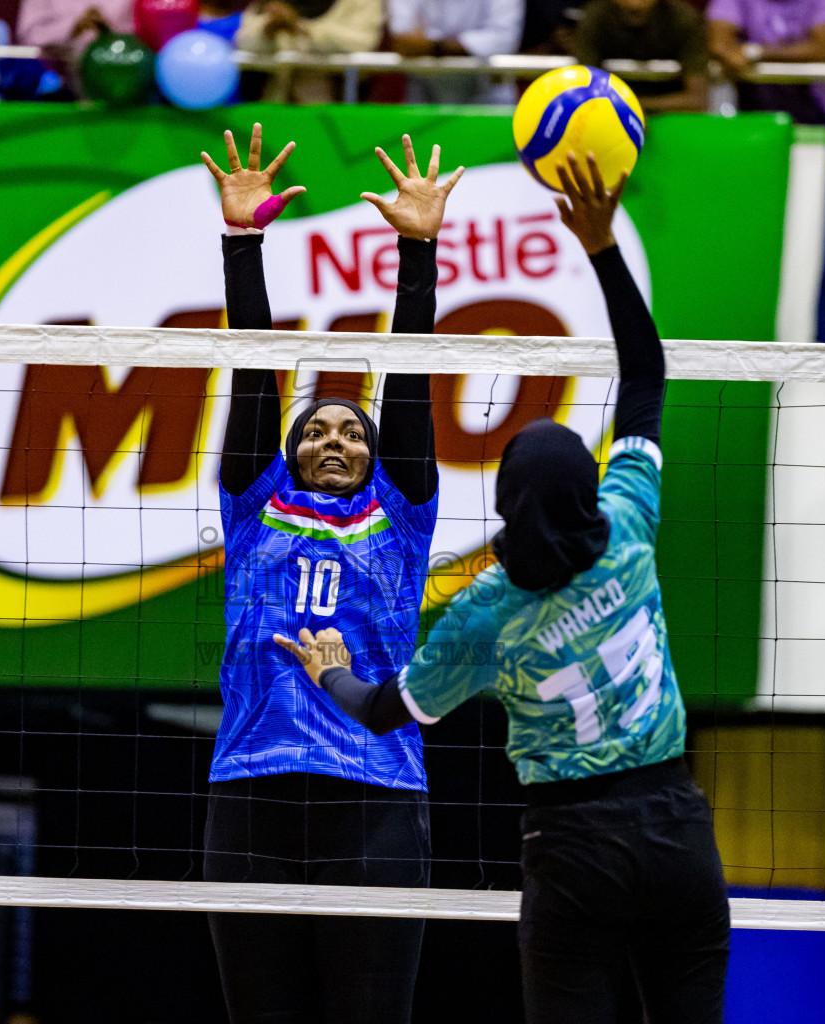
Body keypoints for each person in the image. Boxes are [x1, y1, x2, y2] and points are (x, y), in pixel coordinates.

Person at [275, 151, 730, 1024]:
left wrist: (330, 666)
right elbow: (646, 377)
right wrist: (599, 249)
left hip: (573, 843)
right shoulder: (627, 525)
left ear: (509, 510)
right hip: (676, 824)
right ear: (586, 493)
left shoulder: (486, 612)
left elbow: (382, 713)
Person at [197, 123, 461, 1024]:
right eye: (316, 428)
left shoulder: (404, 511)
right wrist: (243, 242)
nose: (334, 437)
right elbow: (252, 378)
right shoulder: (251, 503)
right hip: (251, 791)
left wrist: (416, 250)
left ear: (377, 453)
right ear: (291, 451)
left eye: (353, 428)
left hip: (376, 796)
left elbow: (415, 384)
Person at [706, 0, 825, 122]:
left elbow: (824, 50)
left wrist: (757, 53)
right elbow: (720, 45)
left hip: (815, 108)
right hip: (750, 105)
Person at [575, 0, 710, 113]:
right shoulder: (595, 16)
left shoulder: (683, 18)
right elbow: (586, 93)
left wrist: (637, 106)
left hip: (671, 120)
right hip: (607, 115)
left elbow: (697, 100)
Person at [234, 0, 382, 102]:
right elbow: (242, 40)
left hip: (333, 109)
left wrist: (302, 28)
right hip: (273, 105)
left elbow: (361, 43)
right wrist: (266, 31)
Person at [387, 0, 525, 104]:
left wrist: (434, 47)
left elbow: (503, 40)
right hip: (425, 94)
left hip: (487, 95)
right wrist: (465, 45)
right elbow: (403, 42)